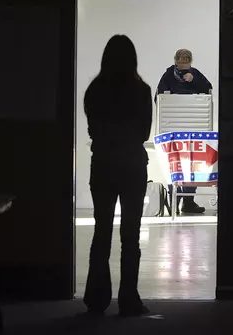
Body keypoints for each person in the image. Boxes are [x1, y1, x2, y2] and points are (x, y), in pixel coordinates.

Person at [83, 35, 152, 317]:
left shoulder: (95, 90)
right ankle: (128, 298)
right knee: (130, 236)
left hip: (102, 165)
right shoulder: (142, 90)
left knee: (101, 233)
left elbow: (93, 131)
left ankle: (96, 298)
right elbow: (144, 133)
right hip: (133, 166)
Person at [155, 49, 212, 214]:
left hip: (195, 127)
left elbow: (208, 89)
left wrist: (194, 81)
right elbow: (158, 97)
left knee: (194, 164)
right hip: (173, 128)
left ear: (191, 62)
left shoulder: (196, 74)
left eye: (186, 64)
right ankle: (175, 201)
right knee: (174, 164)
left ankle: (188, 201)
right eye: (180, 64)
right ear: (175, 62)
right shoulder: (168, 75)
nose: (183, 68)